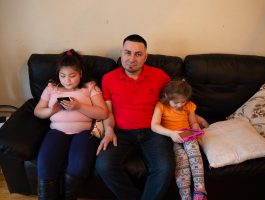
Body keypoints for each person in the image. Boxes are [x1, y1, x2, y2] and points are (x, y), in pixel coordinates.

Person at [95, 34, 176, 200]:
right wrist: (109, 129)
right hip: (121, 133)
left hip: (154, 132)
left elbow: (176, 101)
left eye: (138, 54)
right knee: (104, 166)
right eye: (127, 52)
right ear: (121, 53)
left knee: (165, 168)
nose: (132, 58)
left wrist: (194, 117)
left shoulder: (160, 76)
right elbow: (108, 111)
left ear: (145, 57)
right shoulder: (108, 78)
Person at [34, 49, 108, 200]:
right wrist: (51, 110)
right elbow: (37, 111)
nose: (67, 80)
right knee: (45, 162)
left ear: (80, 73)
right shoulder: (52, 87)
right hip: (57, 132)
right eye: (63, 76)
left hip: (83, 133)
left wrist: (79, 106)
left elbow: (103, 113)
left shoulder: (90, 86)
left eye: (72, 76)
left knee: (78, 165)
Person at [151, 80, 207, 200]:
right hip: (171, 137)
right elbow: (154, 125)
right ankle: (185, 196)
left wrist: (196, 128)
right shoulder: (161, 106)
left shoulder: (189, 105)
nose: (180, 105)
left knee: (193, 150)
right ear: (167, 96)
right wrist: (171, 134)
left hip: (187, 134)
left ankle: (200, 190)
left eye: (183, 101)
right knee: (182, 159)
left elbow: (193, 122)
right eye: (176, 102)